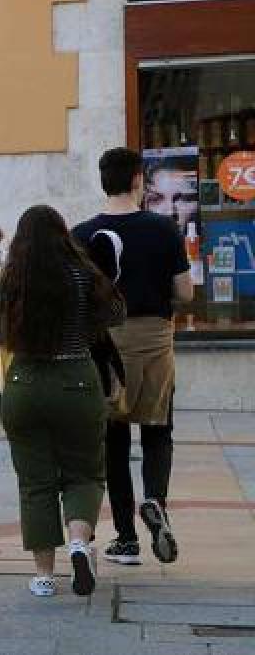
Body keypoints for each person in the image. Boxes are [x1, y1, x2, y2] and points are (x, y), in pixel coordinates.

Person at [0, 205, 125, 598]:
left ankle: (43, 574)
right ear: (64, 235)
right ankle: (78, 542)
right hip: (77, 377)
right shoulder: (82, 273)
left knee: (35, 482)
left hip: (25, 384)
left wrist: (3, 273)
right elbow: (116, 313)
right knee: (85, 473)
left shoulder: (14, 277)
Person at [74, 147, 193, 567]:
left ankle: (125, 538)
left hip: (106, 343)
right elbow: (185, 292)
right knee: (159, 428)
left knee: (114, 439)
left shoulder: (82, 234)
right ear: (139, 180)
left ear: (102, 181)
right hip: (156, 338)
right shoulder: (164, 229)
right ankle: (156, 501)